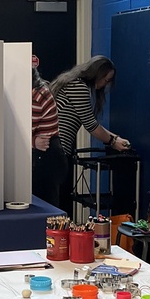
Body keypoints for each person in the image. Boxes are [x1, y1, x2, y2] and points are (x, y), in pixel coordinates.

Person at [49, 55, 132, 214]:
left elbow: (91, 122)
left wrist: (114, 138)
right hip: (57, 151)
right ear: (98, 74)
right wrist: (113, 141)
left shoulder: (71, 83)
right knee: (59, 204)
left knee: (58, 202)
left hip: (56, 150)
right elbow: (91, 125)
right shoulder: (78, 87)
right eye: (107, 80)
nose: (105, 85)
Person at [31, 56, 67, 207]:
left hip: (45, 159)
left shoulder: (35, 96)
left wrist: (31, 141)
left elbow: (19, 132)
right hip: (50, 156)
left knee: (44, 211)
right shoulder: (40, 89)